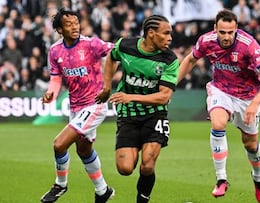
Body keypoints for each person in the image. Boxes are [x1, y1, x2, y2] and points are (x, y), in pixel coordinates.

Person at [177, 9, 260, 203]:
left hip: (248, 97)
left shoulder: (248, 45)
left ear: (236, 29)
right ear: (215, 29)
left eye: (230, 32)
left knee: (250, 144)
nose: (226, 36)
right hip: (220, 90)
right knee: (218, 123)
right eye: (222, 32)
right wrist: (171, 86)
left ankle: (258, 181)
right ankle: (221, 178)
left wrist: (255, 102)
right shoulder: (206, 41)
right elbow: (190, 59)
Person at [95, 15, 179, 203]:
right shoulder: (125, 46)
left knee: (147, 166)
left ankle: (142, 200)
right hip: (128, 114)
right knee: (125, 168)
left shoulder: (169, 59)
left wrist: (130, 97)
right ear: (151, 33)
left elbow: (164, 96)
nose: (170, 38)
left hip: (154, 114)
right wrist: (107, 87)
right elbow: (111, 58)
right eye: (166, 33)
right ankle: (140, 145)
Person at [40, 8, 115, 203]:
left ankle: (60, 185)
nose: (74, 27)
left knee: (59, 144)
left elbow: (115, 52)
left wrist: (108, 85)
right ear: (59, 29)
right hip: (75, 107)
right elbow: (55, 79)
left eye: (76, 23)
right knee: (84, 150)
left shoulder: (91, 44)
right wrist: (51, 93)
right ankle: (103, 191)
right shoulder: (55, 50)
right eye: (69, 24)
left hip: (95, 103)